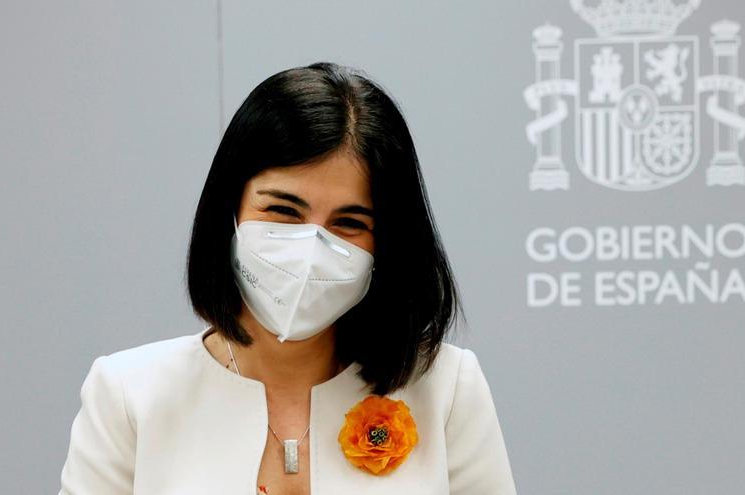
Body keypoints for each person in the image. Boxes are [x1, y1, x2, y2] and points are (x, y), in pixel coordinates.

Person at [57, 61, 517, 494]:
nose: (311, 247)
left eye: (349, 223)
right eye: (282, 211)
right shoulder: (128, 393)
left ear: (387, 244)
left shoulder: (447, 388)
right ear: (229, 211)